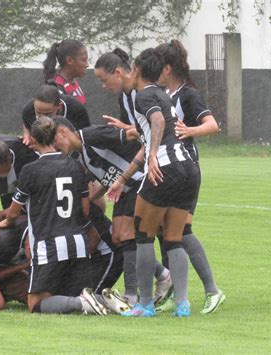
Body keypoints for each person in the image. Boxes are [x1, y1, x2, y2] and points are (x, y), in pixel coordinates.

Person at [0, 117, 111, 315]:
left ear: (32, 140)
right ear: (54, 136)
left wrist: (5, 221)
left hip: (49, 245)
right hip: (78, 243)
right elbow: (85, 210)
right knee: (68, 294)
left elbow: (14, 212)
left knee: (35, 303)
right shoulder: (74, 165)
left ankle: (84, 303)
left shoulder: (31, 170)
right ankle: (103, 300)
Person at [111, 48, 200, 317]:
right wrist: (124, 178)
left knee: (143, 236)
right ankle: (182, 304)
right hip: (189, 168)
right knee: (173, 238)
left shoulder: (144, 95)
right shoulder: (163, 94)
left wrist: (152, 156)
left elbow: (158, 121)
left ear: (136, 69)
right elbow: (151, 133)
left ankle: (145, 305)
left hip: (165, 169)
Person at [53, 116, 172, 306]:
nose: (55, 147)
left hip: (138, 181)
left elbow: (139, 133)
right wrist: (91, 199)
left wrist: (134, 132)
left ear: (63, 132)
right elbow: (105, 177)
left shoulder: (93, 135)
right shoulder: (77, 156)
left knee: (126, 235)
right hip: (122, 191)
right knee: (117, 237)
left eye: (54, 142)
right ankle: (163, 274)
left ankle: (132, 294)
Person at [93, 49, 173, 306]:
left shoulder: (141, 94)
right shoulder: (126, 96)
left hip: (153, 168)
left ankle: (150, 291)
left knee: (143, 232)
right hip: (135, 169)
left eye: (105, 80)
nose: (104, 87)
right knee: (127, 233)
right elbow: (141, 133)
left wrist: (133, 135)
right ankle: (162, 279)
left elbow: (154, 131)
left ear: (119, 72)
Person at [155, 39, 225, 314]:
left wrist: (189, 131)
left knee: (181, 231)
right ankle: (174, 292)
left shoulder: (188, 95)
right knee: (164, 232)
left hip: (185, 172)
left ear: (168, 68)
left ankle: (212, 290)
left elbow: (212, 125)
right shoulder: (162, 94)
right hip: (168, 170)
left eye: (158, 66)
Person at [21, 84, 90, 147]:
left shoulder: (76, 110)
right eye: (38, 113)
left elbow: (84, 139)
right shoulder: (28, 111)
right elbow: (27, 125)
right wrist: (27, 136)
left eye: (47, 114)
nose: (43, 118)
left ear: (59, 107)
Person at [43, 39, 88, 105]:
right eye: (84, 60)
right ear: (69, 60)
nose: (87, 65)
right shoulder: (57, 88)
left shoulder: (72, 82)